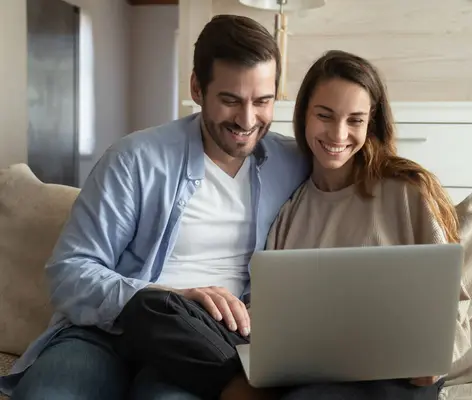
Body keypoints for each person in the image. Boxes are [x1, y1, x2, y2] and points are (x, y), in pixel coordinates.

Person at [0, 14, 308, 400]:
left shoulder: (292, 161)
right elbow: (68, 272)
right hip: (105, 334)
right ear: (197, 88)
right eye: (230, 100)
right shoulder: (135, 159)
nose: (247, 120)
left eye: (262, 101)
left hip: (206, 345)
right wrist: (162, 300)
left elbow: (359, 167)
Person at [265, 50, 472, 400]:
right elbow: (270, 314)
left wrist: (436, 359)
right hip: (318, 378)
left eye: (355, 120)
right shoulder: (290, 213)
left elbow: (455, 300)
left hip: (401, 376)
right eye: (325, 116)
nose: (338, 133)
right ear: (303, 116)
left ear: (371, 123)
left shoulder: (407, 193)